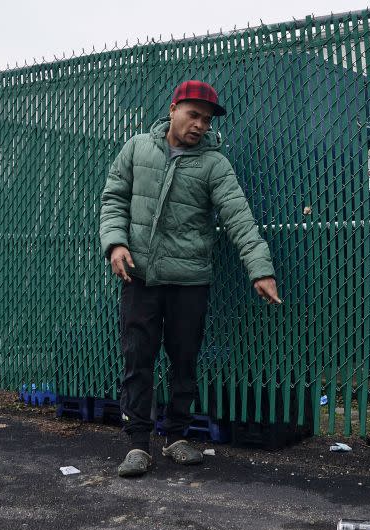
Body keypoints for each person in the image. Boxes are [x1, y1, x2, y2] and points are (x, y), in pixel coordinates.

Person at [100, 80, 281, 478]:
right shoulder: (136, 149)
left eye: (206, 119)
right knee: (137, 359)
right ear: (173, 108)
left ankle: (177, 436)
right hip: (140, 277)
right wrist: (115, 244)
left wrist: (260, 269)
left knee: (184, 361)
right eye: (193, 114)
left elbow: (238, 217)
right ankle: (136, 445)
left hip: (189, 281)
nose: (199, 125)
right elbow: (113, 198)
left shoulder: (214, 164)